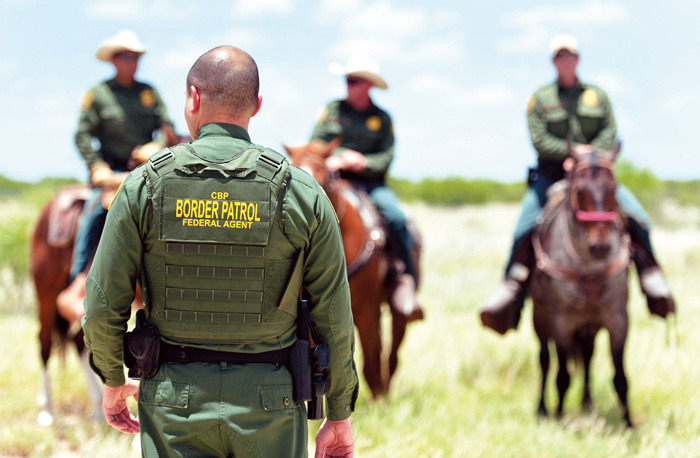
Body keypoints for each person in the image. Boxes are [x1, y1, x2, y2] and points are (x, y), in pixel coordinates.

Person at [82, 46, 359, 457]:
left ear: (192, 98)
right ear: (257, 106)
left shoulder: (143, 186)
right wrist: (339, 414)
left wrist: (110, 380)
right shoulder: (301, 192)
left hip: (174, 399)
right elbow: (333, 314)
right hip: (272, 401)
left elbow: (104, 303)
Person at [480, 34, 676, 334]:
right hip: (552, 175)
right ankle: (512, 288)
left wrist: (587, 158)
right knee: (524, 226)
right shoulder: (540, 98)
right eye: (560, 56)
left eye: (570, 55)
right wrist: (568, 155)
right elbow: (540, 138)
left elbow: (610, 131)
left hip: (595, 177)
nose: (565, 60)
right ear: (553, 62)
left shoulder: (598, 95)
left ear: (578, 59)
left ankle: (651, 277)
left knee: (638, 216)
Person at [310, 53, 422, 320]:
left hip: (371, 184)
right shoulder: (332, 111)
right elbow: (315, 146)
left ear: (368, 85)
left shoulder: (382, 118)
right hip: (335, 181)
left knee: (395, 217)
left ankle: (403, 278)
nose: (348, 85)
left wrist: (362, 162)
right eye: (347, 80)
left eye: (354, 80)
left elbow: (386, 157)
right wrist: (339, 157)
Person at [68, 30, 178, 297]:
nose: (132, 62)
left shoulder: (149, 92)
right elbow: (82, 135)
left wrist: (158, 144)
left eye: (136, 57)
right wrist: (96, 167)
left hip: (145, 169)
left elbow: (168, 126)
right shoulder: (98, 94)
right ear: (113, 60)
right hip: (110, 170)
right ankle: (78, 276)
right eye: (126, 57)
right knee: (94, 212)